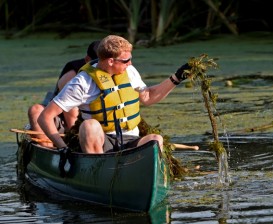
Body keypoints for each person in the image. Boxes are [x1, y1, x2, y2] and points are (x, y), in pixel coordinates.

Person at [38, 35, 191, 156]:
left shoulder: (128, 71)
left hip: (131, 139)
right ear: (111, 61)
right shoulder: (82, 83)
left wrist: (176, 78)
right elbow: (45, 117)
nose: (130, 63)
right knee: (89, 125)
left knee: (155, 139)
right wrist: (62, 147)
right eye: (126, 60)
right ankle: (96, 172)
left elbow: (148, 97)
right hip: (101, 141)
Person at [28, 40, 100, 147]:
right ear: (88, 60)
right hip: (66, 119)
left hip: (97, 119)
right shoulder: (73, 75)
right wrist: (74, 137)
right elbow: (70, 113)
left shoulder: (121, 70)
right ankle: (49, 149)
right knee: (36, 111)